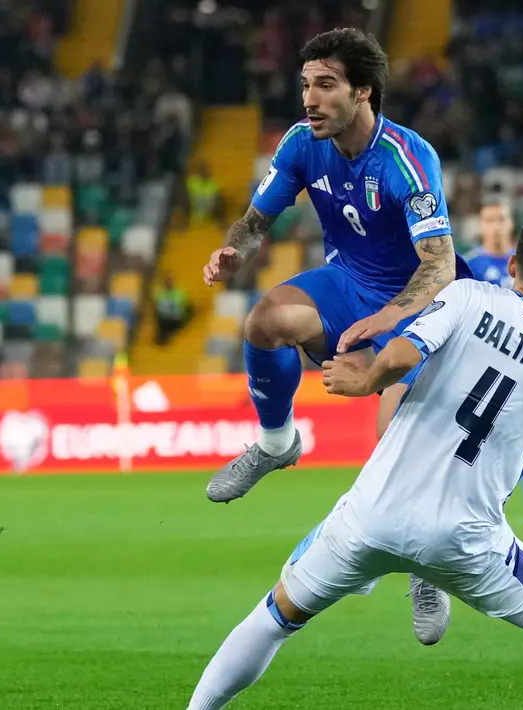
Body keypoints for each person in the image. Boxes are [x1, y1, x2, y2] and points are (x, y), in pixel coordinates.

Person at [187, 217, 523, 710]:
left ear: (511, 264)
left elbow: (401, 352)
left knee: (272, 620)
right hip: (468, 541)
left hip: (371, 519)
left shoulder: (466, 296)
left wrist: (367, 378)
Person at [201, 28, 469, 645]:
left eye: (325, 86)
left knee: (395, 443)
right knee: (264, 321)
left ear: (363, 92)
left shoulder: (407, 156)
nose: (310, 100)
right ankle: (276, 443)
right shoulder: (302, 143)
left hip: (420, 302)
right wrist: (233, 250)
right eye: (305, 86)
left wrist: (388, 318)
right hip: (348, 283)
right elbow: (254, 219)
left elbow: (440, 264)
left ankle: (423, 568)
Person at [460, 197, 523, 543]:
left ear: (510, 223)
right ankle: (471, 516)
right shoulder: (469, 265)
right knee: (474, 444)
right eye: (489, 220)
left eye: (501, 219)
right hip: (477, 372)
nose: (496, 226)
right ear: (481, 226)